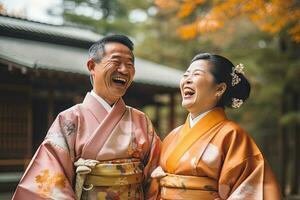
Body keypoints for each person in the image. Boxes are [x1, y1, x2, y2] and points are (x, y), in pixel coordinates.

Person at [13, 34, 161, 200]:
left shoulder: (141, 120)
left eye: (129, 64)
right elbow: (50, 182)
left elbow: (156, 176)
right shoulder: (69, 119)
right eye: (116, 62)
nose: (124, 70)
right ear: (92, 66)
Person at [151, 53, 281, 199]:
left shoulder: (233, 135)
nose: (187, 80)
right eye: (186, 75)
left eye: (196, 74)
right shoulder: (173, 135)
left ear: (219, 89)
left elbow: (251, 188)